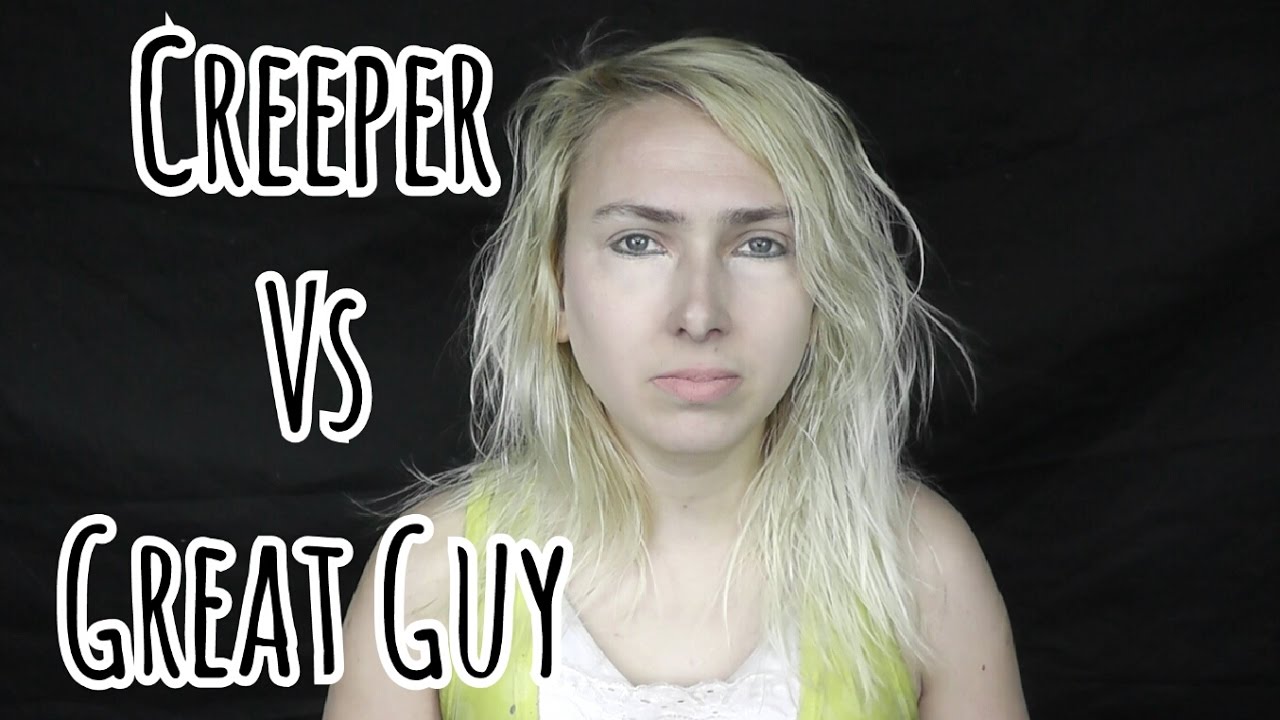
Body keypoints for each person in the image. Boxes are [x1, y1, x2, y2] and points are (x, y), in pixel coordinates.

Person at [324, 33, 1030, 719]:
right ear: (555, 293)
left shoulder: (919, 564)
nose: (699, 314)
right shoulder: (431, 571)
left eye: (761, 245)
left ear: (824, 296)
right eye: (638, 242)